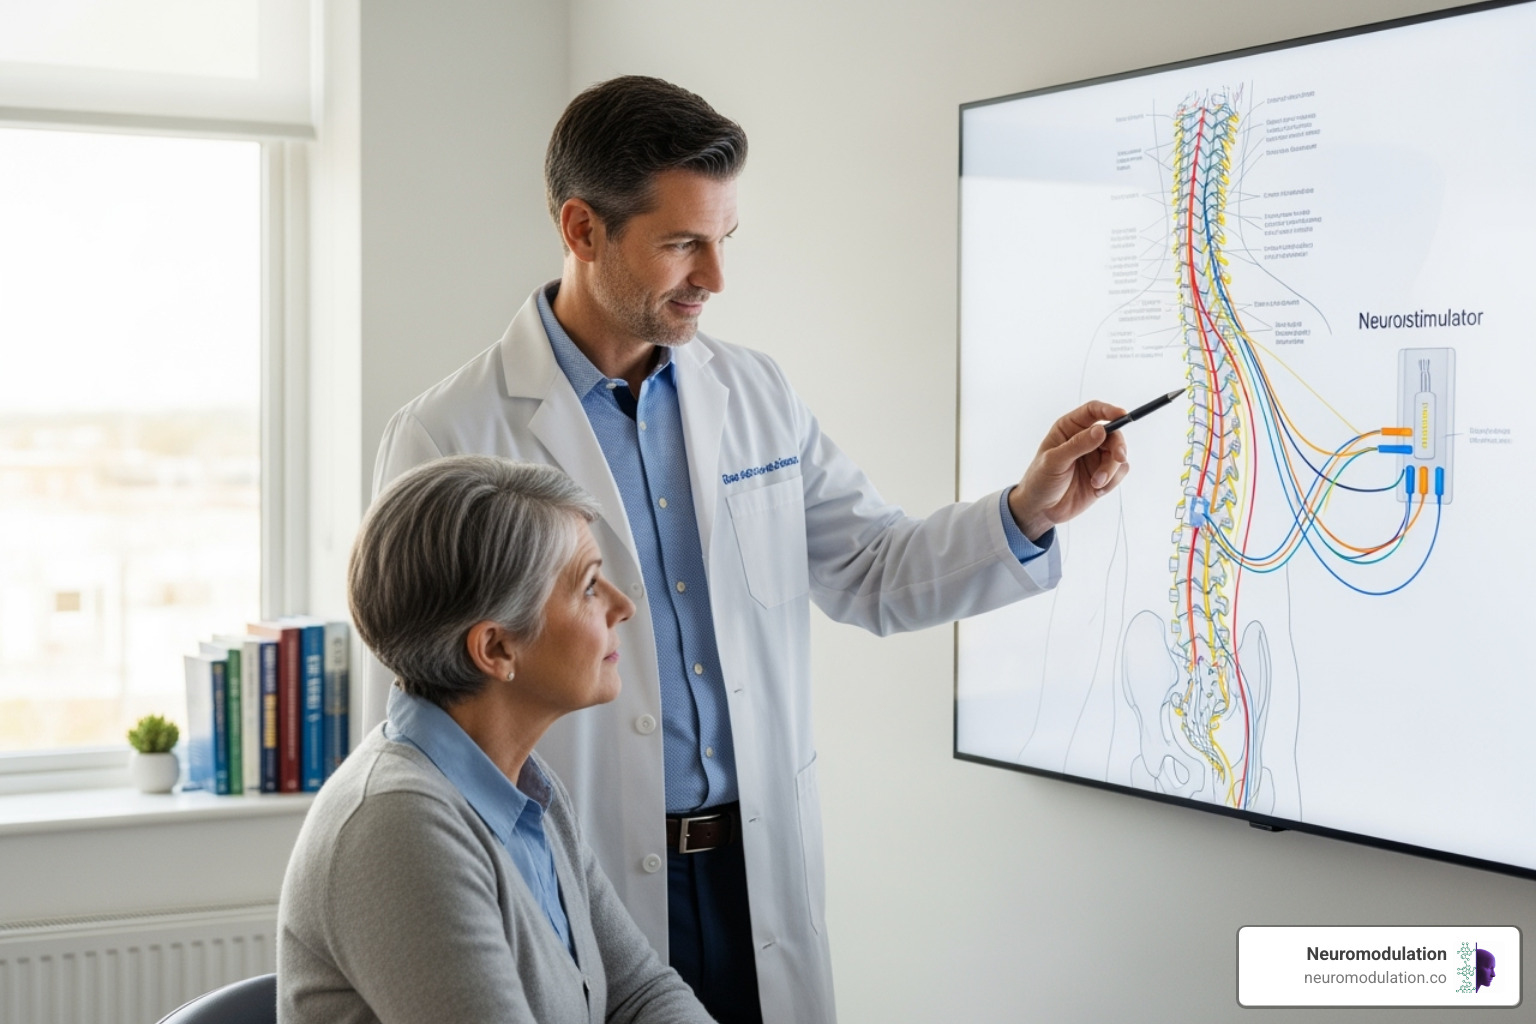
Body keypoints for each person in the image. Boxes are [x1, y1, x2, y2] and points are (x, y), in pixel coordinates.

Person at [370, 76, 1130, 1024]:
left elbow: (874, 571)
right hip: (579, 874)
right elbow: (425, 719)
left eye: (723, 240)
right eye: (682, 243)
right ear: (582, 228)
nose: (715, 279)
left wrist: (1027, 509)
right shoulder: (450, 433)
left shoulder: (753, 393)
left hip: (754, 868)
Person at [278, 455, 715, 1024]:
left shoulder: (528, 790)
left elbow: (641, 993)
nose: (623, 606)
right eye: (587, 586)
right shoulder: (396, 825)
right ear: (496, 650)